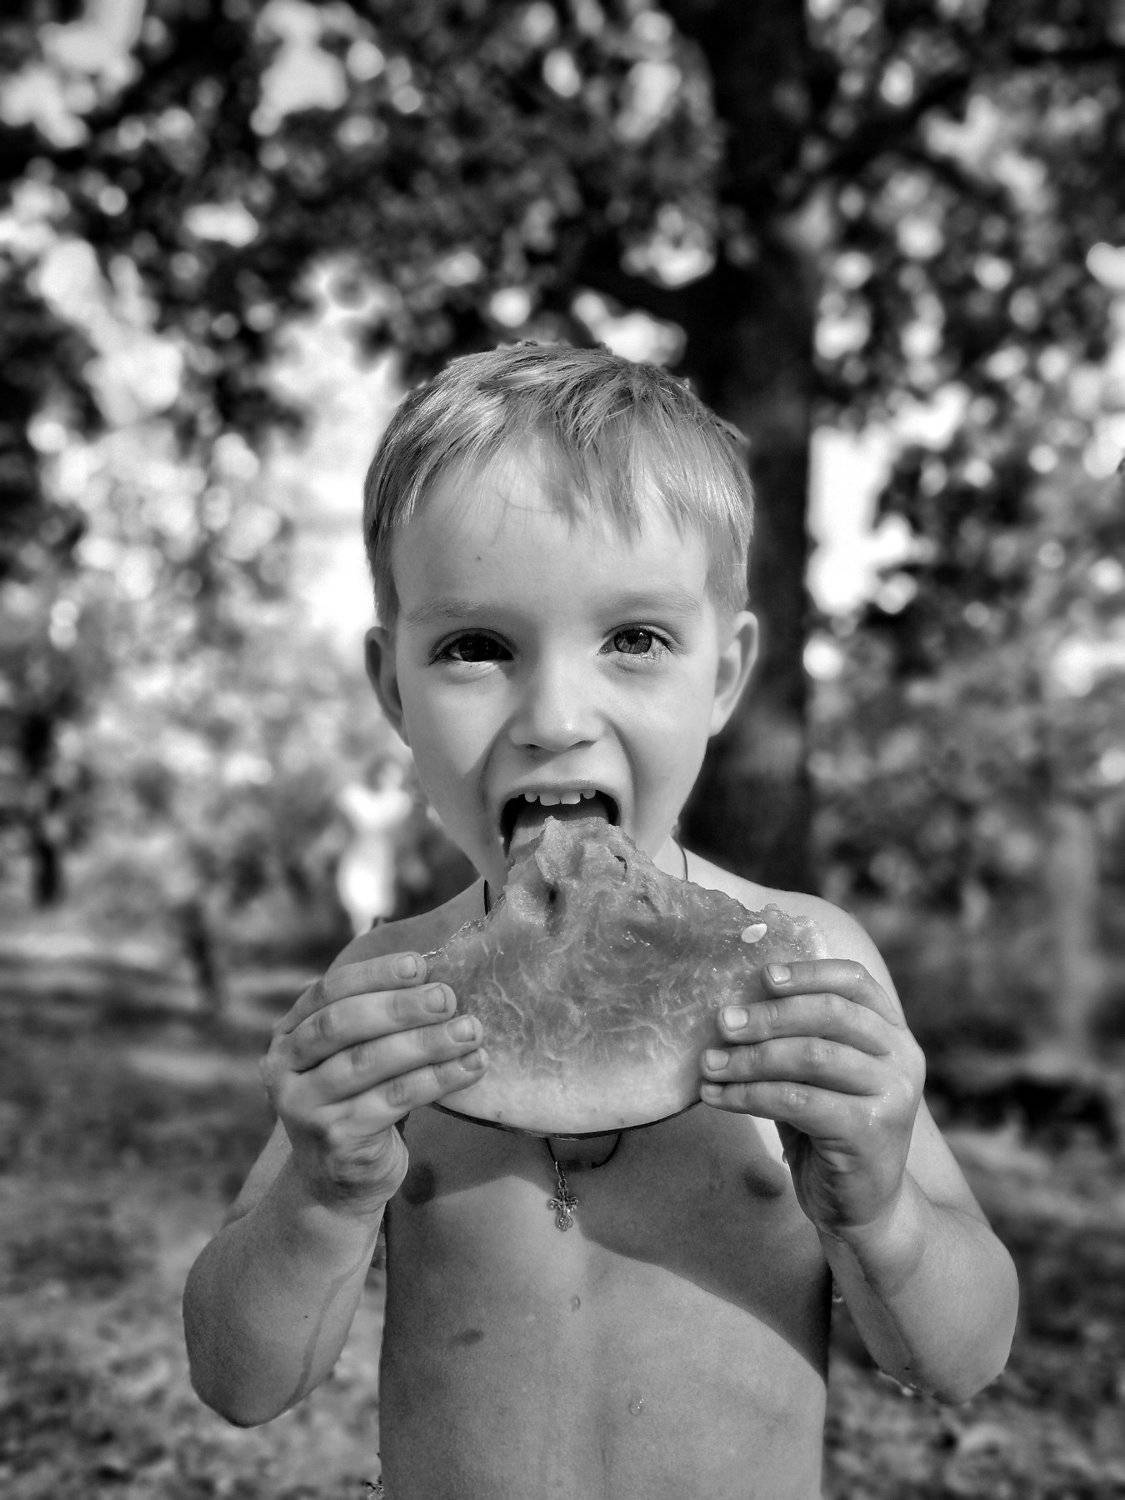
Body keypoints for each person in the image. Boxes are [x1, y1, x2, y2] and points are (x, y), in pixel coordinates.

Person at [183, 343, 1018, 1499]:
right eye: (477, 648)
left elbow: (961, 1358)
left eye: (634, 639)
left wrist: (882, 1211)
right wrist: (317, 1198)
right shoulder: (388, 987)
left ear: (723, 676)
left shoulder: (805, 964)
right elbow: (241, 1380)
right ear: (393, 690)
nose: (556, 716)